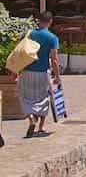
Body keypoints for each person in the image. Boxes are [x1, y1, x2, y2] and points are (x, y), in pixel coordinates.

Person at [20, 11, 60, 139]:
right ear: (50, 22)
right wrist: (57, 76)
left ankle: (31, 118)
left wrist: (15, 71)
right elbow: (54, 60)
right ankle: (41, 127)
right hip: (43, 72)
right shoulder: (52, 38)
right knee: (43, 98)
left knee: (26, 97)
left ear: (38, 21)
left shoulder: (29, 34)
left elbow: (20, 53)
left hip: (27, 71)